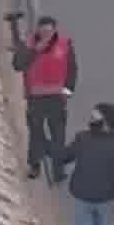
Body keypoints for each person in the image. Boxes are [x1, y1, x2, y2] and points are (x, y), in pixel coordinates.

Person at [18, 19, 78, 182]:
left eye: (49, 32)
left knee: (58, 136)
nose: (46, 35)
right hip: (35, 99)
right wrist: (34, 50)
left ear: (54, 31)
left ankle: (58, 170)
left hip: (56, 99)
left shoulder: (65, 44)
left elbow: (72, 69)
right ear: (38, 30)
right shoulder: (29, 43)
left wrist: (67, 91)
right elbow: (18, 64)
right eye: (43, 31)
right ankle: (34, 165)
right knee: (35, 134)